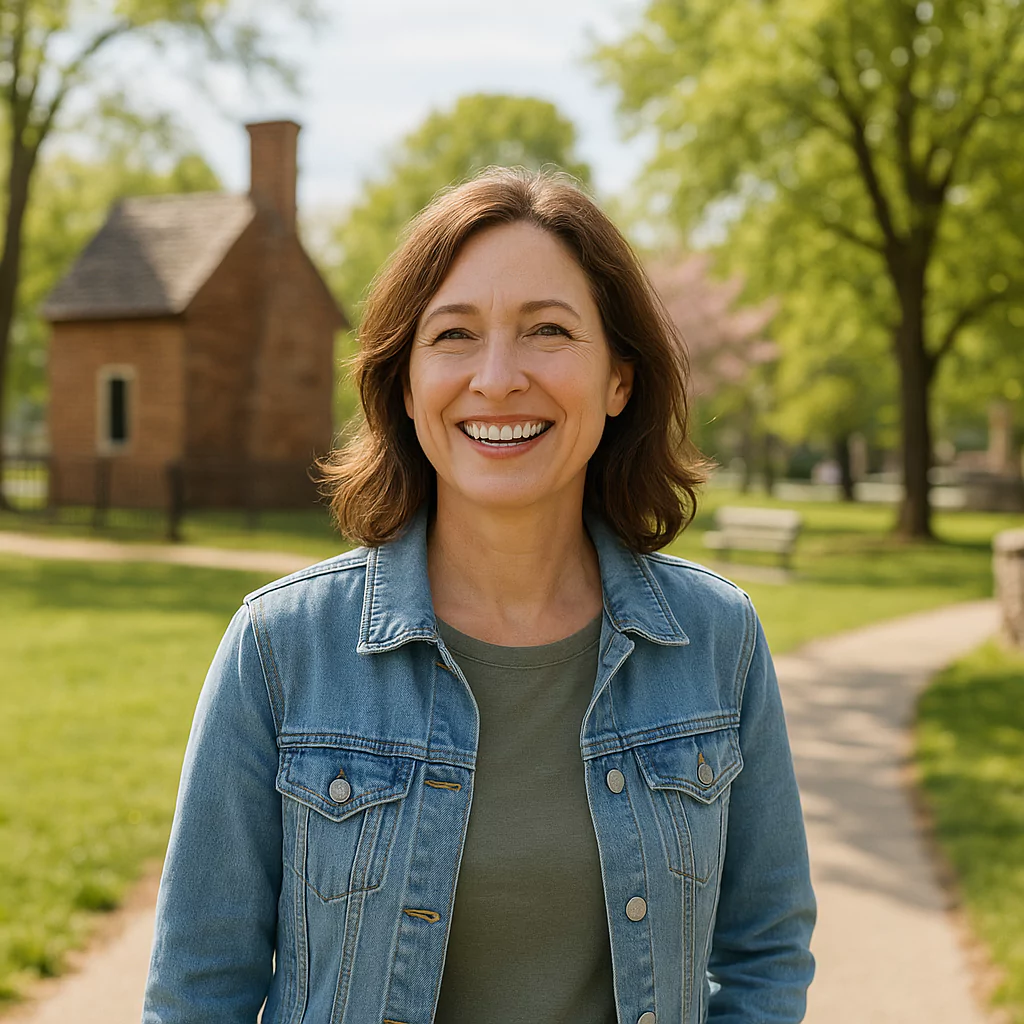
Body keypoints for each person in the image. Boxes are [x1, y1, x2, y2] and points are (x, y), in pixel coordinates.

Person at [142, 168, 815, 1024]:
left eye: (548, 330)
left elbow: (764, 952)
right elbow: (198, 994)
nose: (497, 379)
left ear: (619, 379)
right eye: (454, 335)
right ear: (408, 384)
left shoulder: (721, 640)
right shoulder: (279, 649)